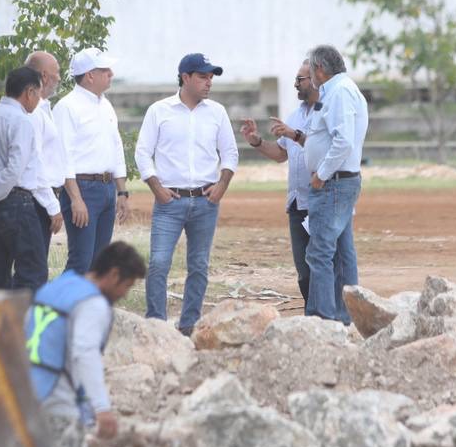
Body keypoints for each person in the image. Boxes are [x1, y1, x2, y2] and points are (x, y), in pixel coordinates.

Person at [136, 53, 239, 336]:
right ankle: (157, 325)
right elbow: (143, 152)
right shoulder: (159, 110)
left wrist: (222, 186)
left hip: (206, 201)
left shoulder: (217, 112)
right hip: (170, 201)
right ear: (185, 78)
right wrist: (156, 187)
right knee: (158, 263)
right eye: (203, 77)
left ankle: (188, 326)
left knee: (199, 265)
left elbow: (230, 152)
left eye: (211, 77)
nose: (209, 83)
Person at [25, 241, 147, 447]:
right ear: (113, 274)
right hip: (56, 398)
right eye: (126, 286)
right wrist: (102, 408)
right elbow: (85, 353)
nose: (125, 294)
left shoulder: (58, 286)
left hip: (24, 392)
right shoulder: (93, 304)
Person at [0, 66, 61, 290]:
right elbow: (16, 172)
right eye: (38, 94)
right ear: (29, 92)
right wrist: (53, 206)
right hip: (15, 203)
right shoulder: (22, 122)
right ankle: (20, 323)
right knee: (33, 273)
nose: (38, 100)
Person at [297, 44, 368, 324]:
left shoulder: (340, 92)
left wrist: (321, 174)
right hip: (338, 182)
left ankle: (324, 317)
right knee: (342, 251)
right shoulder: (339, 91)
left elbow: (343, 141)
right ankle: (346, 316)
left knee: (320, 252)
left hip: (334, 183)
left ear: (320, 70)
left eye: (311, 70)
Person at [239, 59, 318, 303]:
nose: (295, 84)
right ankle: (312, 314)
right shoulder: (294, 116)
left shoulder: (326, 113)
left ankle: (328, 317)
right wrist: (257, 142)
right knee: (304, 273)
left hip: (320, 200)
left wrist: (294, 135)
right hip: (296, 204)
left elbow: (323, 149)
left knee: (323, 266)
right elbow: (282, 154)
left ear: (315, 80)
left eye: (300, 80)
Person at [52, 48, 129, 274]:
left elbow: (116, 148)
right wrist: (76, 199)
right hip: (82, 189)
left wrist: (122, 192)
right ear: (89, 75)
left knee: (99, 262)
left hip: (106, 188)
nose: (111, 73)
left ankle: (87, 308)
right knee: (80, 260)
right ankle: (61, 307)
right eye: (105, 70)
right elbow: (63, 156)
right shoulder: (67, 107)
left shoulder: (105, 104)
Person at [24, 50, 71, 278]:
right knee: (34, 271)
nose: (60, 78)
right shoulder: (33, 113)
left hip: (45, 196)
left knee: (36, 266)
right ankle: (24, 313)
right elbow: (35, 164)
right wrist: (52, 206)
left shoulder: (44, 108)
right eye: (57, 73)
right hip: (38, 199)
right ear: (44, 76)